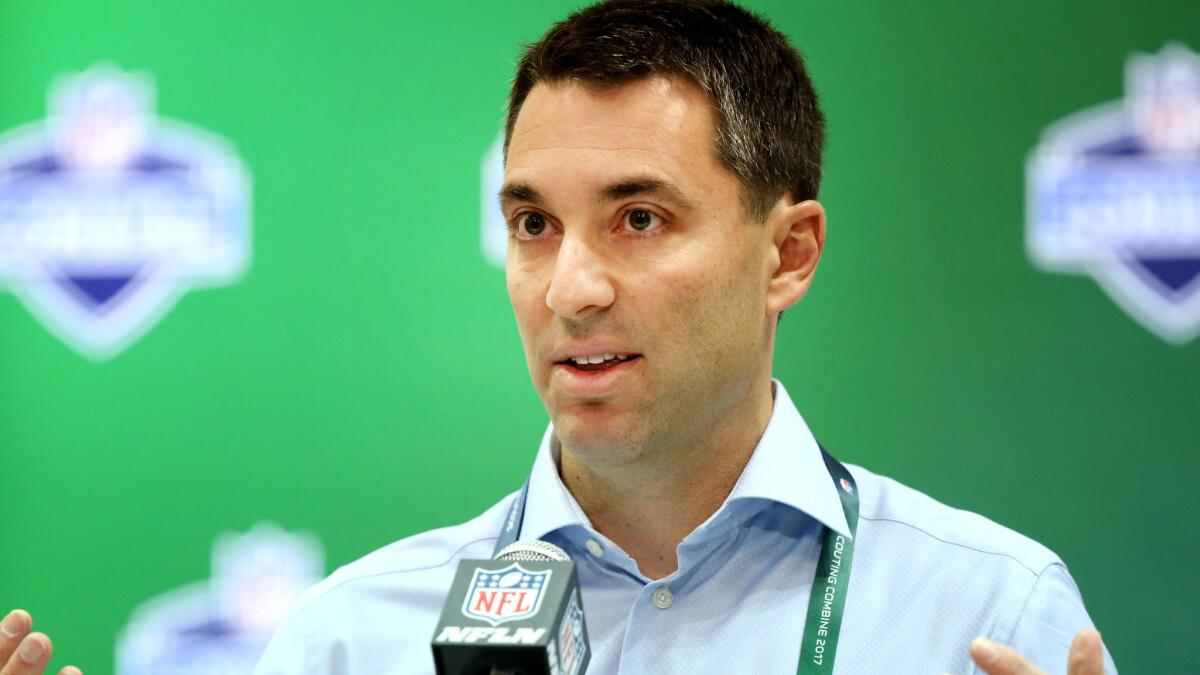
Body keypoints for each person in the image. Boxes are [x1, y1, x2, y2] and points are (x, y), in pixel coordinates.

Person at [2, 1, 1117, 673]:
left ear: (788, 254)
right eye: (533, 223)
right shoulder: (348, 640)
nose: (570, 288)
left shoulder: (987, 616)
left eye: (639, 218)